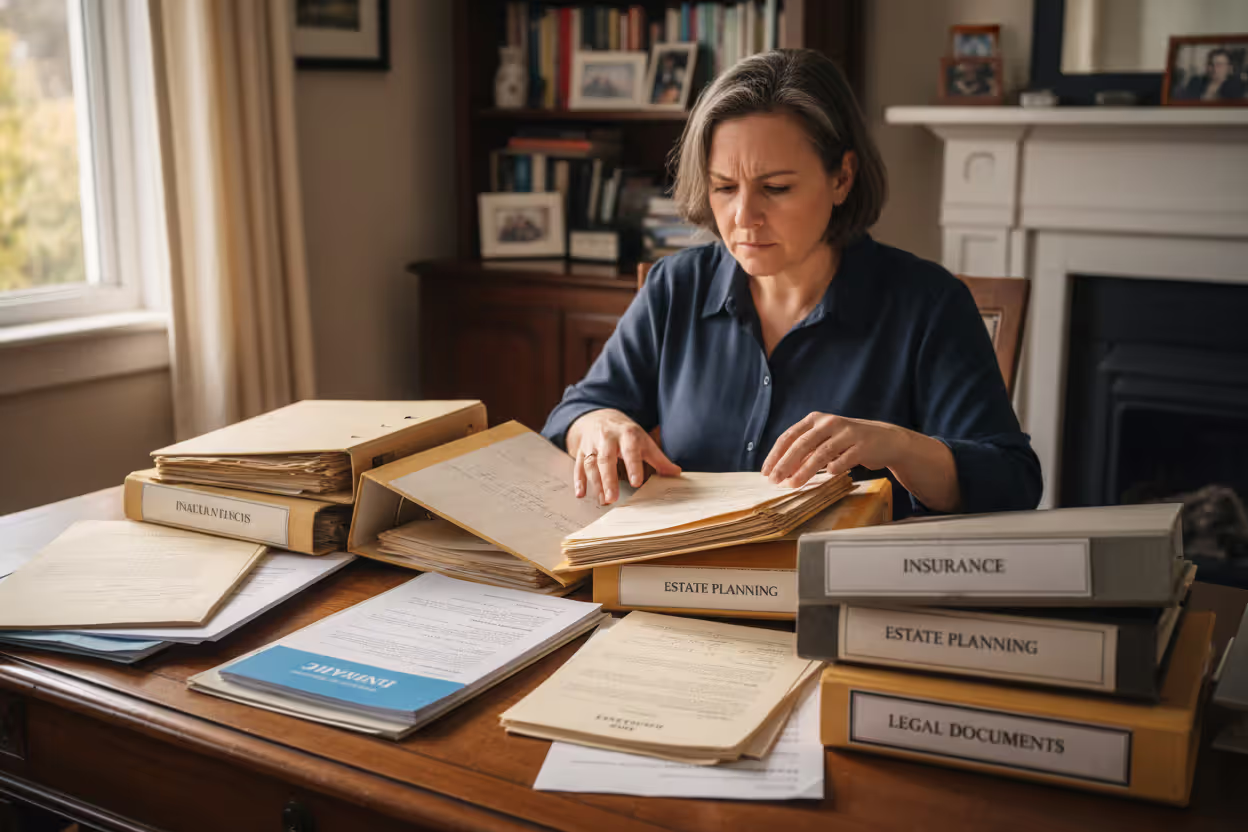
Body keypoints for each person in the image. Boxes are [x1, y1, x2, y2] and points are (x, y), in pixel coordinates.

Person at [541, 49, 1042, 519]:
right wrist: (598, 424)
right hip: (678, 589)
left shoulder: (927, 304)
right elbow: (575, 412)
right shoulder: (677, 287)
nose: (743, 217)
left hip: (841, 599)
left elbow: (1012, 482)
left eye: (776, 188)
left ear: (843, 178)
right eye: (723, 187)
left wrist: (899, 446)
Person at [1176, 48, 1245, 101]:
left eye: (1219, 65)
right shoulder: (1195, 82)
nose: (1214, 68)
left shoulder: (1236, 88)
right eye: (1211, 64)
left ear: (1229, 68)